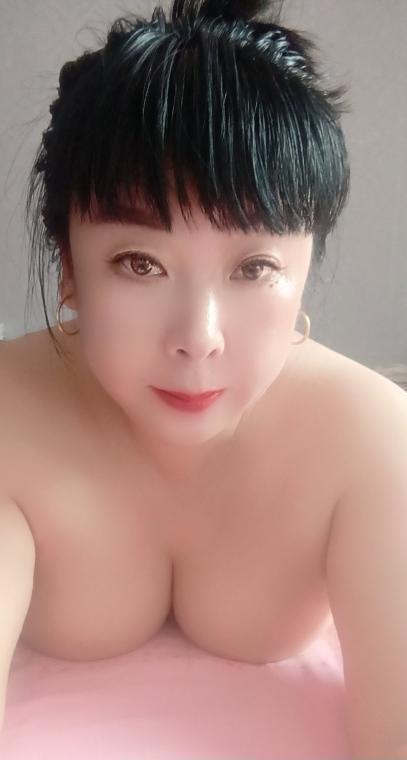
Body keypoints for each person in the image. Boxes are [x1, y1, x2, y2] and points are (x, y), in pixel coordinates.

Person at [1, 1, 407, 757]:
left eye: (254, 267)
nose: (198, 337)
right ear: (68, 265)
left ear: (305, 266)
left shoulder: (375, 445)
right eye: (140, 263)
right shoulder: (8, 427)